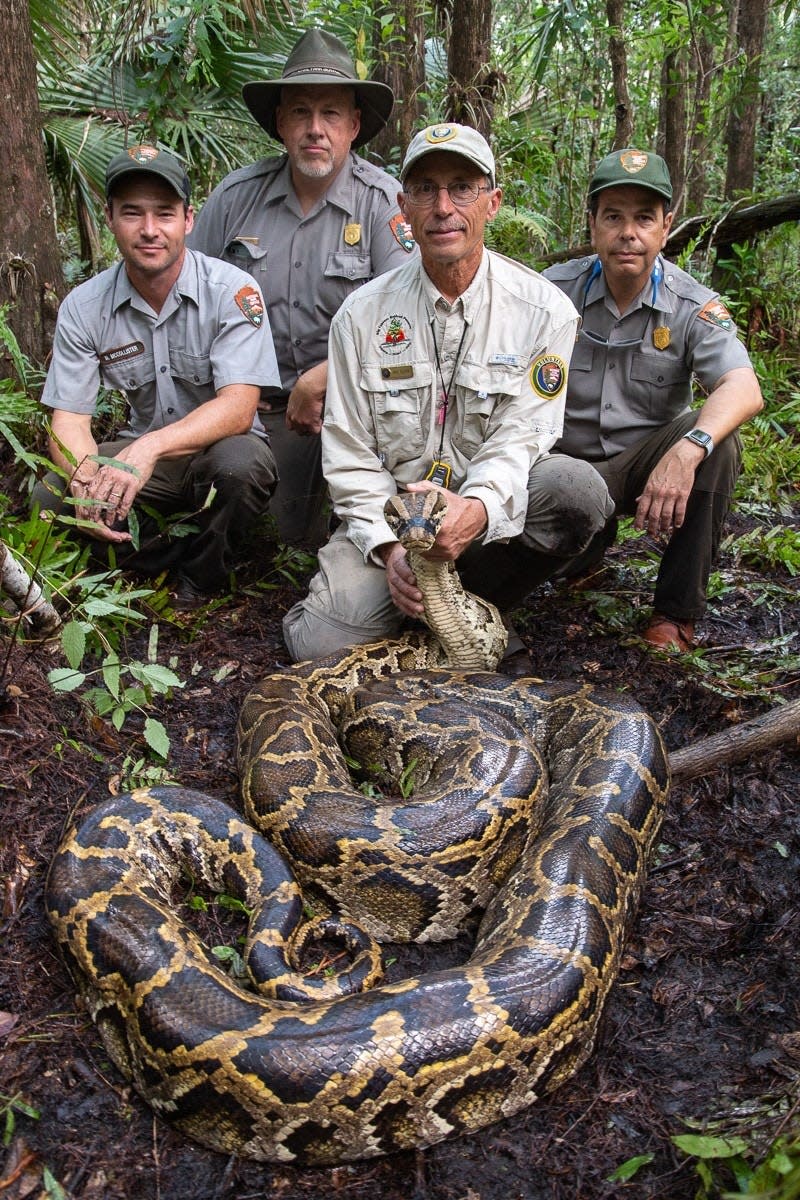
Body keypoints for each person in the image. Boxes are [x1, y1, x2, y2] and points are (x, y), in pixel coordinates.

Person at [282, 123, 614, 668]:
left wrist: (476, 510)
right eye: (425, 190)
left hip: (484, 523)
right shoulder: (360, 317)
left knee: (574, 490)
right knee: (319, 648)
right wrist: (391, 552)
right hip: (390, 523)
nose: (443, 207)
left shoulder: (544, 311)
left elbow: (522, 437)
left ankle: (478, 605)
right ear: (402, 207)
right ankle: (422, 611)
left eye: (462, 187)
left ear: (493, 203)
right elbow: (348, 454)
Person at [189, 29, 418, 546]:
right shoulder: (235, 199)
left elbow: (407, 329)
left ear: (354, 125)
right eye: (300, 112)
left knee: (318, 537)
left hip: (345, 413)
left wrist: (322, 376)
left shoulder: (383, 205)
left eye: (331, 113)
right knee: (242, 518)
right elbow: (191, 301)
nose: (315, 129)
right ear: (280, 122)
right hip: (249, 410)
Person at [34, 145, 281, 609]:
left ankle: (201, 582)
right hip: (144, 462)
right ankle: (136, 567)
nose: (149, 230)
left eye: (164, 214)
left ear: (188, 220)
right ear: (109, 217)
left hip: (216, 451)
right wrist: (87, 477)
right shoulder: (85, 307)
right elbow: (68, 419)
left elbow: (238, 407)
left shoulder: (232, 290)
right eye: (132, 213)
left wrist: (148, 448)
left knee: (240, 468)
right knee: (50, 489)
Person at [543, 148, 764, 650]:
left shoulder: (691, 306)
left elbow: (744, 387)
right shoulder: (550, 294)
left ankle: (674, 614)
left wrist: (689, 450)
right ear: (594, 224)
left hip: (647, 466)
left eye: (644, 218)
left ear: (665, 228)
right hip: (560, 464)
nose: (628, 233)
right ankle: (582, 554)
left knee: (718, 444)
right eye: (614, 217)